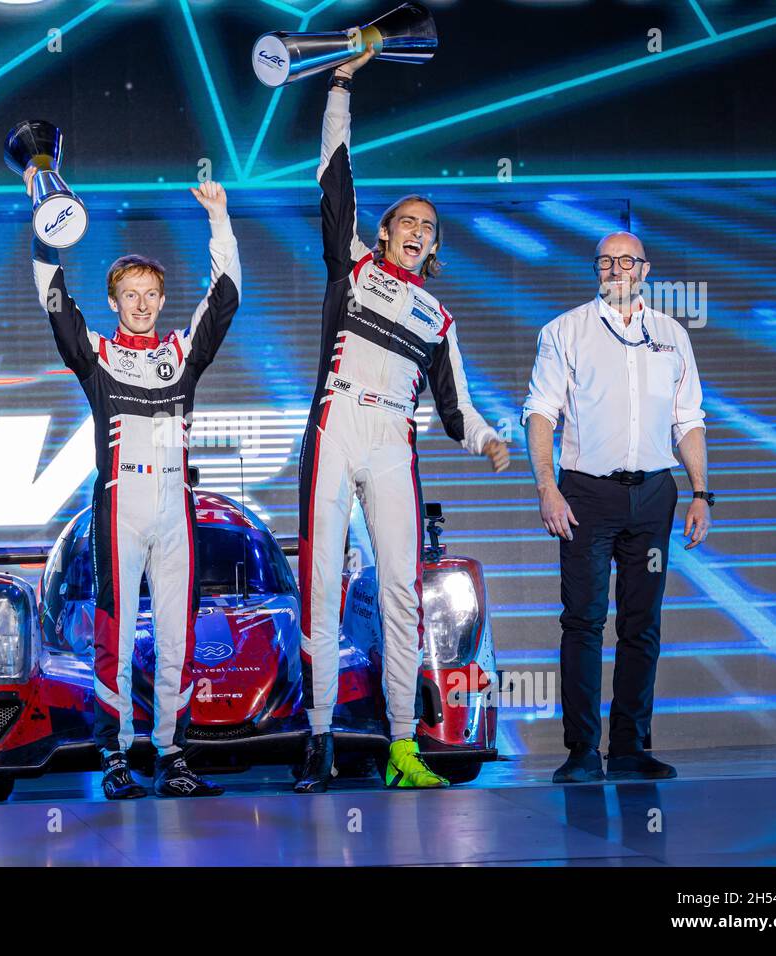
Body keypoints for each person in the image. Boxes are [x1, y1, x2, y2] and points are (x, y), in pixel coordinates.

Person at [295, 48, 510, 794]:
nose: (419, 230)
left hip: (394, 441)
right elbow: (334, 178)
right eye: (407, 220)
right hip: (336, 422)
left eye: (430, 226)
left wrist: (485, 439)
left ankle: (401, 747)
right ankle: (317, 740)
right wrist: (341, 88)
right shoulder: (352, 264)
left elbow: (457, 408)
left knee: (398, 592)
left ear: (434, 247)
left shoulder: (438, 315)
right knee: (321, 581)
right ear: (384, 234)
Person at [25, 174, 239, 799]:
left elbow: (224, 300)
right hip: (120, 497)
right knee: (114, 632)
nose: (142, 305)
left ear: (161, 300)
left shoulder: (181, 350)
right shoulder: (96, 353)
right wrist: (46, 226)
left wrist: (219, 221)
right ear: (114, 301)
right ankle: (115, 755)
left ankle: (174, 754)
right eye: (130, 295)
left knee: (178, 633)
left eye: (151, 294)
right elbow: (56, 303)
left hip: (176, 501)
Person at [522, 231, 711, 783]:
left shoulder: (672, 335)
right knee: (582, 622)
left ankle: (629, 748)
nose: (616, 269)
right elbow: (540, 413)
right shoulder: (565, 331)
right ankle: (582, 751)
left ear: (645, 270)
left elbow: (689, 420)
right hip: (585, 495)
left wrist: (701, 493)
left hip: (654, 495)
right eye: (606, 262)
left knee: (641, 624)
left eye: (626, 261)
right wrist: (546, 488)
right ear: (597, 270)